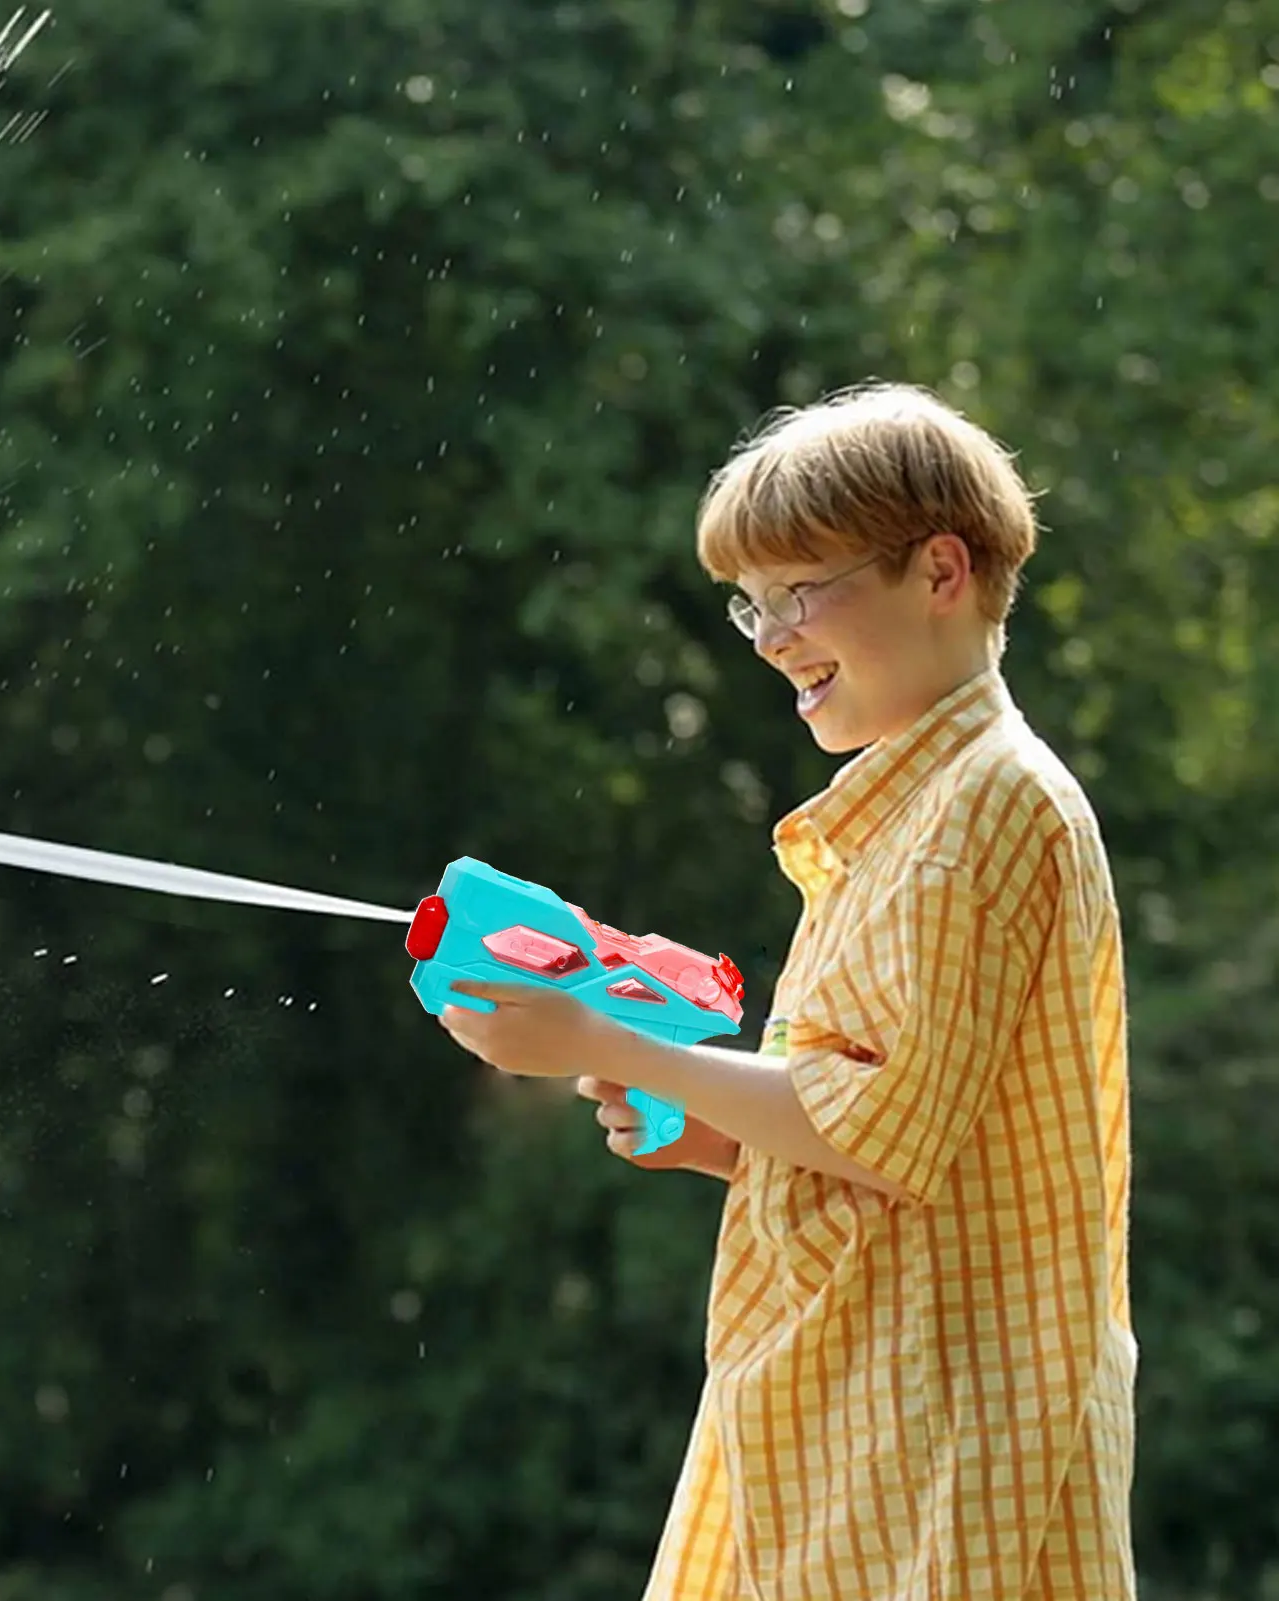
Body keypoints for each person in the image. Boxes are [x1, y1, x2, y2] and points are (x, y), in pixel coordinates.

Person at [439, 383, 1136, 1600]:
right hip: (852, 1416)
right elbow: (896, 1143)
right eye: (747, 604)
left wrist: (601, 1036)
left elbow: (879, 1125)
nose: (765, 637)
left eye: (800, 592)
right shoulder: (908, 813)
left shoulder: (978, 813)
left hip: (940, 1444)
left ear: (937, 571)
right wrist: (726, 1143)